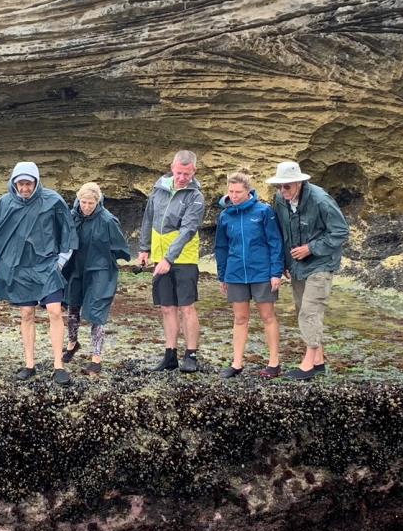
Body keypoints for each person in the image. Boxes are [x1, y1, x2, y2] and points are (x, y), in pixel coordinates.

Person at [0, 161, 78, 385]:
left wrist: (60, 261)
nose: (25, 188)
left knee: (55, 311)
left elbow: (67, 231)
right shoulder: (5, 203)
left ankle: (58, 365)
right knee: (27, 314)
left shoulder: (53, 200)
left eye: (29, 183)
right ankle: (29, 363)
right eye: (21, 184)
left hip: (47, 265)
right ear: (14, 183)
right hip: (20, 268)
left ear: (36, 182)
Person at [268, 160, 348, 381]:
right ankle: (319, 361)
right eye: (279, 186)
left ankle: (308, 364)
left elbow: (340, 232)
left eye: (287, 186)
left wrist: (310, 248)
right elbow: (283, 231)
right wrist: (285, 261)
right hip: (297, 265)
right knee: (301, 308)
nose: (282, 191)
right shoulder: (280, 200)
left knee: (310, 311)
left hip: (321, 263)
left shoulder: (321, 200)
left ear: (299, 183)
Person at [138, 150, 206, 373]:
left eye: (187, 174)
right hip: (159, 257)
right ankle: (170, 355)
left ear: (194, 171)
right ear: (172, 167)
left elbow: (187, 230)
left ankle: (191, 355)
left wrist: (169, 258)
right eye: (179, 173)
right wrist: (144, 248)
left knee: (186, 307)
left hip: (184, 259)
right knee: (167, 307)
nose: (182, 177)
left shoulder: (195, 196)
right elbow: (149, 217)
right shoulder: (159, 189)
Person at [213, 169, 284, 379]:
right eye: (231, 191)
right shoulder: (225, 216)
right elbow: (221, 248)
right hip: (235, 274)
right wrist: (222, 275)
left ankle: (274, 363)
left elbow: (275, 242)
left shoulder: (264, 211)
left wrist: (276, 272)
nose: (233, 196)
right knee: (240, 318)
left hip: (262, 273)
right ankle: (237, 363)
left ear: (248, 191)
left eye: (238, 192)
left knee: (267, 316)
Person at [62, 182, 132, 375]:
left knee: (96, 312)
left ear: (98, 201)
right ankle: (72, 344)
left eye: (90, 203)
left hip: (100, 270)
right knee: (72, 308)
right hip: (76, 268)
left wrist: (110, 259)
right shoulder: (72, 216)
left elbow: (121, 248)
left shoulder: (108, 221)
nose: (86, 207)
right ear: (78, 200)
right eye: (83, 202)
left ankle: (96, 358)